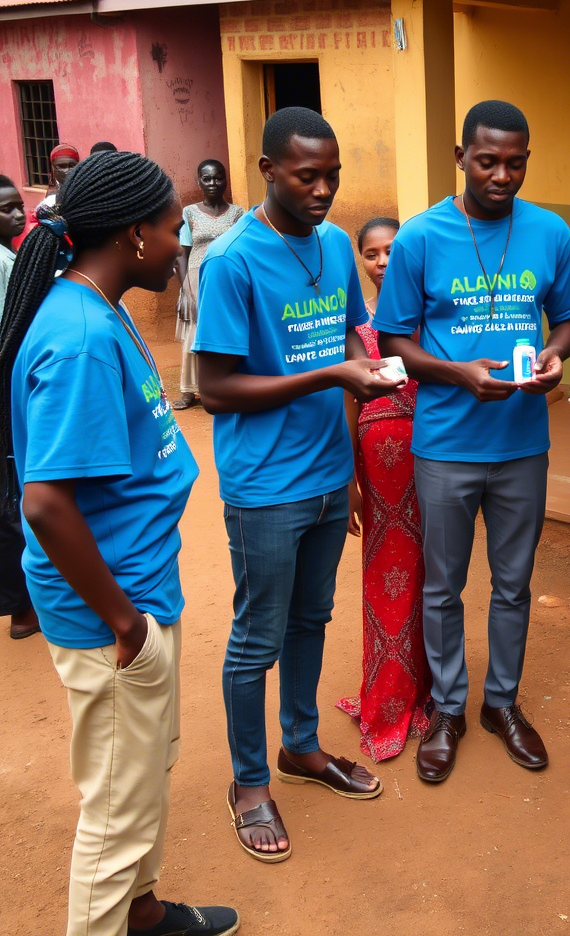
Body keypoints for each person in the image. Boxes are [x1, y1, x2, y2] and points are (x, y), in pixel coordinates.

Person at [0, 152, 239, 936]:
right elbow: (46, 503)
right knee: (115, 809)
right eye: (174, 230)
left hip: (139, 590)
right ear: (135, 236)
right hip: (113, 617)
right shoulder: (77, 339)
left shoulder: (100, 309)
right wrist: (126, 627)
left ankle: (143, 914)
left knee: (143, 778)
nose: (180, 244)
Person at [194, 107, 398, 863]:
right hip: (265, 486)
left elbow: (347, 331)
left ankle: (301, 748)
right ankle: (249, 783)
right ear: (268, 171)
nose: (323, 190)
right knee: (256, 639)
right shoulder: (233, 260)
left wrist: (351, 432)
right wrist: (332, 372)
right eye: (307, 176)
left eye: (332, 176)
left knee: (312, 619)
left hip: (323, 472)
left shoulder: (337, 246)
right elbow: (216, 387)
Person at [374, 99, 570, 784]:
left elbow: (567, 323)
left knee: (514, 584)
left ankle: (502, 703)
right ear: (462, 158)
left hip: (522, 442)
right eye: (489, 160)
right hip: (444, 441)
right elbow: (394, 342)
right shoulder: (419, 238)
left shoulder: (550, 232)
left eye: (516, 162)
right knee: (443, 587)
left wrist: (556, 357)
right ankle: (448, 711)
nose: (503, 174)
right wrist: (458, 375)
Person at [336, 215, 432, 761]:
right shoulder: (358, 330)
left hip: (431, 462)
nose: (382, 262)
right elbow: (349, 405)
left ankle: (429, 689)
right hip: (380, 470)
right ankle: (389, 698)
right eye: (372, 253)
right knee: (387, 577)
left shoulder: (426, 321)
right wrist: (350, 479)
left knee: (430, 578)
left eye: (392, 251)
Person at [0, 173, 38, 639]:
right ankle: (25, 606)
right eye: (5, 208)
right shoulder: (4, 265)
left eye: (16, 205)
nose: (15, 214)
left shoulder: (13, 257)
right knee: (13, 498)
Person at [173, 160, 243, 410]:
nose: (212, 183)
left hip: (226, 279)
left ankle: (220, 386)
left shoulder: (238, 214)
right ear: (198, 181)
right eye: (206, 179)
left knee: (222, 332)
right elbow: (182, 253)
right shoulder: (189, 213)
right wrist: (186, 289)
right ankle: (189, 390)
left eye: (217, 178)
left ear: (225, 179)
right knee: (194, 333)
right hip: (196, 279)